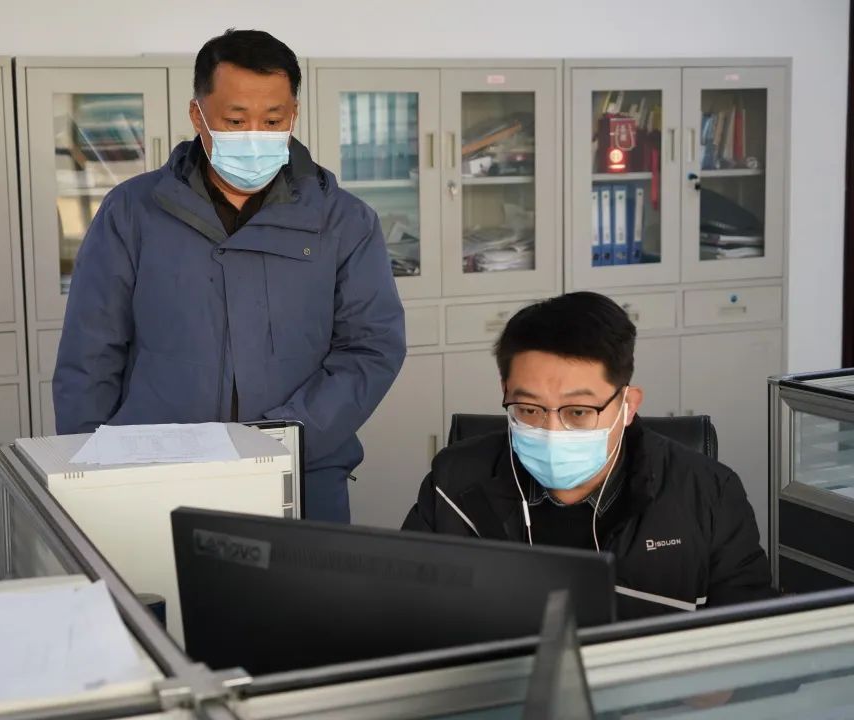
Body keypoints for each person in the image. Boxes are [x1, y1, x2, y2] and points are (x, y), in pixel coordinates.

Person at [53, 29, 406, 522]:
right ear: (198, 114)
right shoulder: (133, 211)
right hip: (156, 472)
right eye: (236, 121)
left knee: (300, 577)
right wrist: (87, 467)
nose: (255, 135)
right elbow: (91, 350)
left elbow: (371, 348)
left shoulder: (343, 220)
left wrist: (285, 438)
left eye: (272, 120)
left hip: (300, 472)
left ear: (294, 115)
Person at [402, 292, 774, 618]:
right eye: (529, 409)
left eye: (578, 412)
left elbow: (751, 637)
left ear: (628, 405)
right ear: (505, 390)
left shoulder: (708, 494)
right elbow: (406, 616)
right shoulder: (452, 486)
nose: (552, 430)